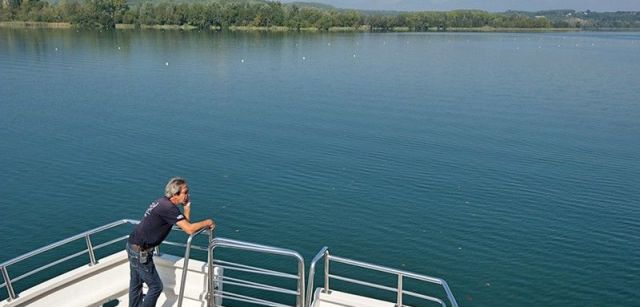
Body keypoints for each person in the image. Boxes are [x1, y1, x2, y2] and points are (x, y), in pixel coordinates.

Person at [127, 177, 215, 307]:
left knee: (136, 283)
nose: (188, 195)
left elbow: (183, 224)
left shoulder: (163, 202)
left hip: (133, 245)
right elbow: (189, 229)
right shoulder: (168, 208)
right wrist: (208, 222)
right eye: (185, 192)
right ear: (175, 194)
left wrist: (187, 208)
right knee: (156, 287)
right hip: (140, 251)